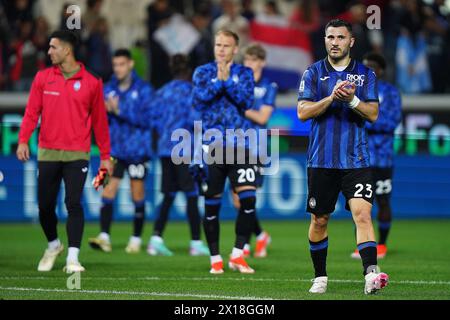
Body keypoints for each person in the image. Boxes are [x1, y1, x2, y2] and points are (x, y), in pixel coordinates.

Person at [297, 19, 389, 295]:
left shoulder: (365, 75)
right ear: (325, 40)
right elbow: (302, 112)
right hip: (321, 160)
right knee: (319, 220)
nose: (334, 42)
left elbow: (373, 113)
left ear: (351, 42)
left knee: (362, 214)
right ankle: (320, 276)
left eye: (340, 37)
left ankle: (371, 274)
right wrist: (331, 99)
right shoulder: (312, 73)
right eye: (329, 37)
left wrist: (350, 100)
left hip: (356, 160)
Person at [16, 30, 112, 273]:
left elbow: (100, 122)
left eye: (53, 47)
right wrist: (23, 140)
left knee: (73, 203)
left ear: (67, 50)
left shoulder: (92, 81)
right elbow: (31, 112)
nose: (48, 52)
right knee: (45, 207)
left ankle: (72, 258)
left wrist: (104, 157)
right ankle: (53, 245)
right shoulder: (42, 78)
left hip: (77, 154)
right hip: (47, 152)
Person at [192, 29, 256, 274]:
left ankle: (238, 254)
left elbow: (247, 102)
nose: (220, 49)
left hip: (242, 145)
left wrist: (227, 80)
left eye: (226, 45)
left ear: (235, 49)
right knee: (212, 205)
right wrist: (220, 81)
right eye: (218, 44)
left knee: (248, 201)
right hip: (212, 147)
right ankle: (215, 258)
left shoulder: (245, 73)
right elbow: (199, 99)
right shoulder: (203, 72)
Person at [88, 49, 154, 254]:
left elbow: (149, 120)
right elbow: (97, 120)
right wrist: (104, 113)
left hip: (137, 151)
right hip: (113, 151)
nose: (118, 69)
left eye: (122, 64)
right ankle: (104, 236)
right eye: (115, 65)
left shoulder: (144, 90)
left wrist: (119, 111)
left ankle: (135, 239)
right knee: (107, 190)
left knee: (137, 194)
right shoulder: (106, 89)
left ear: (131, 65)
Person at [145, 54, 209, 257]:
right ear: (188, 71)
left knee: (168, 194)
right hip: (185, 149)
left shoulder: (161, 92)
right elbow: (195, 121)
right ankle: (196, 243)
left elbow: (153, 121)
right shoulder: (192, 93)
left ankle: (156, 239)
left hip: (165, 149)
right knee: (191, 195)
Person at [351, 52, 402, 260]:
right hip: (359, 157)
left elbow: (391, 121)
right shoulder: (357, 90)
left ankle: (381, 243)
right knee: (359, 202)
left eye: (372, 66)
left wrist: (366, 117)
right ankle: (362, 244)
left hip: (382, 157)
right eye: (365, 66)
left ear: (381, 70)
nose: (368, 70)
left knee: (382, 200)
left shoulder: (390, 92)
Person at [230, 43, 277, 258]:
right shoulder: (237, 84)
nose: (249, 64)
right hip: (234, 146)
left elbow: (263, 117)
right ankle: (260, 235)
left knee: (246, 198)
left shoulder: (269, 86)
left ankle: (245, 244)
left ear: (262, 63)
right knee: (237, 200)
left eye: (254, 60)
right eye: (247, 60)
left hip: (255, 148)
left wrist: (241, 108)